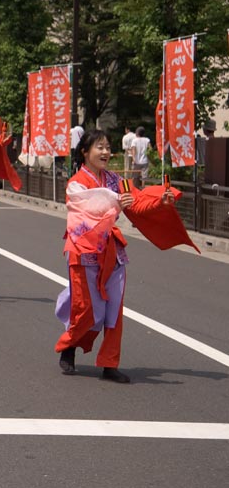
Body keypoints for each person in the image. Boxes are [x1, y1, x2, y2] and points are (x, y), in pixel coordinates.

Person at [55, 129, 185, 384]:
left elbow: (135, 202)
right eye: (99, 147)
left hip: (113, 253)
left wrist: (161, 203)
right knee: (88, 312)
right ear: (85, 152)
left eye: (107, 147)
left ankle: (109, 363)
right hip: (83, 253)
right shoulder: (76, 184)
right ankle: (68, 346)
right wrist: (118, 202)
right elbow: (92, 206)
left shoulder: (115, 181)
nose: (105, 152)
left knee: (113, 312)